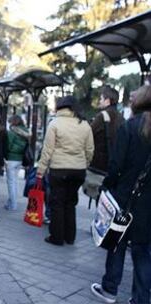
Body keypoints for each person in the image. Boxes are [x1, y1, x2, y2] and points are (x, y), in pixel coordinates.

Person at [91, 85, 151, 304]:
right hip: (148, 205)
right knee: (143, 252)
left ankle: (109, 289)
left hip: (124, 197)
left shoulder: (130, 127)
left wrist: (108, 187)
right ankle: (141, 299)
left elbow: (116, 165)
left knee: (115, 244)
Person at [37, 96, 94, 245]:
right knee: (70, 202)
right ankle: (70, 237)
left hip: (59, 169)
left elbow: (47, 150)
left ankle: (56, 237)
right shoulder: (85, 125)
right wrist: (85, 164)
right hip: (79, 170)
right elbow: (90, 150)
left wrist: (41, 170)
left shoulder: (54, 124)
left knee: (57, 203)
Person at [90, 85, 124, 173]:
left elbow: (88, 134)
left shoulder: (102, 116)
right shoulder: (121, 118)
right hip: (114, 164)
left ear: (107, 101)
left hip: (98, 165)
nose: (100, 101)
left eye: (101, 99)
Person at [4, 115, 30, 211]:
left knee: (11, 182)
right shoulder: (26, 132)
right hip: (20, 159)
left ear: (13, 122)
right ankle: (11, 201)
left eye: (10, 122)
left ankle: (13, 204)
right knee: (14, 181)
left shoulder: (12, 132)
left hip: (11, 158)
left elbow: (8, 146)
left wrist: (5, 156)